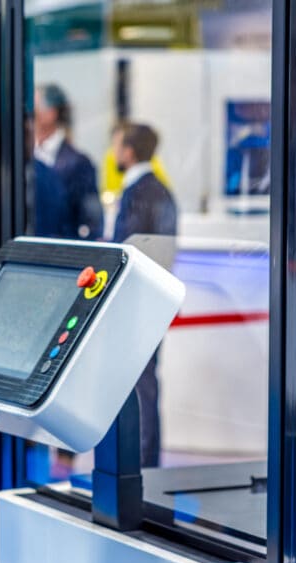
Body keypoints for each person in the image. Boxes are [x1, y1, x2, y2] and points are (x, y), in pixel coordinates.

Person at [111, 122, 177, 468]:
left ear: (129, 151)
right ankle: (146, 460)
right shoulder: (158, 190)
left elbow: (128, 251)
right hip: (152, 300)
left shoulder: (140, 192)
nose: (113, 152)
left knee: (142, 384)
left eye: (117, 144)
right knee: (146, 382)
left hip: (139, 303)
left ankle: (143, 463)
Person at [34, 84, 104, 239]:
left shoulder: (78, 163)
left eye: (34, 109)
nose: (27, 115)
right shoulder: (25, 159)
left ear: (51, 113)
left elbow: (92, 222)